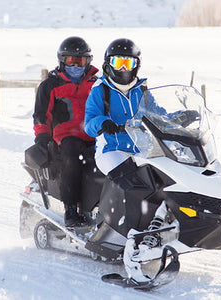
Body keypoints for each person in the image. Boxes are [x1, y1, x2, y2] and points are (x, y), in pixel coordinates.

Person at [29, 36, 99, 227]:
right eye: (71, 61)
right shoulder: (50, 85)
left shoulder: (97, 84)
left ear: (88, 62)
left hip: (95, 135)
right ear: (62, 61)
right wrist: (42, 137)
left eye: (80, 61)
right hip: (65, 137)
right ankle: (70, 209)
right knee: (72, 155)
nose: (76, 66)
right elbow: (41, 115)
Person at [84, 38, 147, 175]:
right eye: (118, 63)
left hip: (144, 150)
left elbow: (158, 115)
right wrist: (103, 123)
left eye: (128, 63)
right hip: (112, 150)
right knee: (129, 179)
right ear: (109, 64)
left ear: (136, 65)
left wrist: (179, 118)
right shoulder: (101, 89)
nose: (123, 69)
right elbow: (89, 124)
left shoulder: (141, 90)